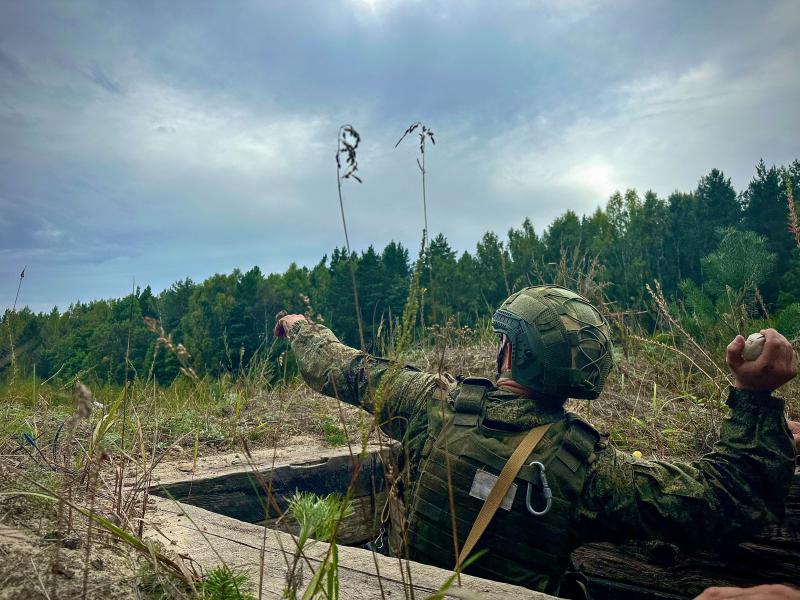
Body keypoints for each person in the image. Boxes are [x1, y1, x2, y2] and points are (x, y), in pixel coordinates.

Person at [275, 285, 798, 597]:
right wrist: (755, 398)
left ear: (509, 351)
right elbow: (730, 499)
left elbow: (340, 367)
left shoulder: (430, 404)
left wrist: (301, 327)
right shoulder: (591, 469)